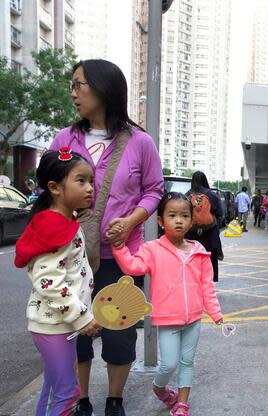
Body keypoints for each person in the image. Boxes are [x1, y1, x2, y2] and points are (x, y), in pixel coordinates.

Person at [49, 59, 164, 416]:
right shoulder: (65, 140)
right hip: (71, 258)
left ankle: (114, 399)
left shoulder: (140, 142)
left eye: (79, 85)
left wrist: (131, 221)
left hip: (121, 258)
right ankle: (81, 400)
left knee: (119, 330)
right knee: (75, 329)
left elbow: (153, 190)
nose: (73, 93)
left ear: (103, 89)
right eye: (73, 85)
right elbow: (49, 188)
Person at [112, 192, 223, 416]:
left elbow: (207, 287)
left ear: (192, 220)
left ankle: (182, 403)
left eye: (184, 215)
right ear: (161, 221)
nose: (179, 220)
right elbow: (133, 267)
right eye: (172, 215)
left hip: (193, 319)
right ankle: (159, 387)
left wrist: (215, 313)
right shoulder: (152, 249)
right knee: (168, 364)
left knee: (187, 361)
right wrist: (119, 248)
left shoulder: (199, 251)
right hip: (167, 319)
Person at [14, 150, 101, 416]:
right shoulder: (53, 226)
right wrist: (82, 316)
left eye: (91, 181)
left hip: (59, 324)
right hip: (54, 325)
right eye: (81, 181)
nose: (90, 188)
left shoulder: (65, 220)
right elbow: (49, 282)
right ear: (54, 187)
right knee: (67, 392)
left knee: (53, 388)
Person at [185, 172, 224, 283]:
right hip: (210, 234)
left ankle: (193, 282)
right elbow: (220, 213)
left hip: (191, 235)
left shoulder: (187, 195)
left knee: (192, 258)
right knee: (209, 259)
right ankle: (208, 283)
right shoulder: (211, 195)